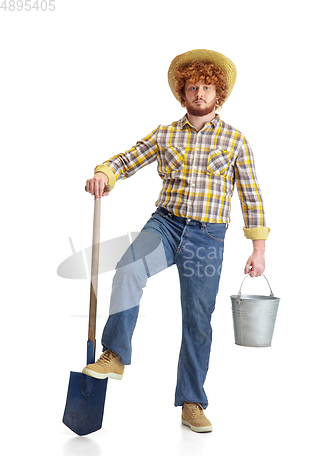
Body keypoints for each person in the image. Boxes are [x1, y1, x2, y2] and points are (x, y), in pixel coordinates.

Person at [83, 49, 270, 433]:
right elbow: (129, 158)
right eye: (191, 87)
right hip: (166, 226)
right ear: (182, 93)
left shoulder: (236, 141)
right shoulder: (166, 133)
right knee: (129, 267)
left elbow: (251, 196)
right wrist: (104, 173)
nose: (199, 93)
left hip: (207, 236)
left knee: (198, 321)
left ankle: (192, 402)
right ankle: (115, 353)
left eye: (206, 87)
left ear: (218, 94)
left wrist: (258, 248)